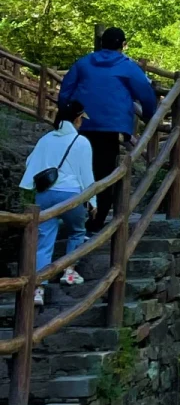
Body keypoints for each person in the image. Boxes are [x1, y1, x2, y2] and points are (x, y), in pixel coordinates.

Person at [57, 27, 159, 234]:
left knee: (80, 170)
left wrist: (66, 114)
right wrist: (150, 114)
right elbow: (146, 94)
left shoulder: (84, 62)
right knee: (104, 172)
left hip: (81, 124)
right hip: (111, 126)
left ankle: (74, 217)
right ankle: (96, 221)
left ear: (102, 43)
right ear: (123, 44)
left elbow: (66, 89)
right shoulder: (127, 67)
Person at [20, 99, 96, 306]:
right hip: (71, 195)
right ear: (77, 119)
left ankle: (38, 289)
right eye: (81, 118)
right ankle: (69, 271)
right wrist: (93, 200)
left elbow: (30, 163)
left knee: (44, 240)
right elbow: (86, 175)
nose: (82, 122)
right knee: (77, 231)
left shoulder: (45, 139)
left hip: (45, 195)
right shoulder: (81, 142)